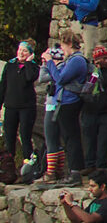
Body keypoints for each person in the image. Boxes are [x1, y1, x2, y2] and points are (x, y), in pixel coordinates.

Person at [41, 31, 88, 186]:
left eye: (62, 45)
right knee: (68, 138)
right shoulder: (72, 60)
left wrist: (49, 63)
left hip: (70, 103)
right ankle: (73, 172)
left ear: (68, 43)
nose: (61, 48)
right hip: (65, 102)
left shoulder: (77, 60)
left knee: (71, 138)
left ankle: (75, 173)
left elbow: (60, 79)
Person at [80, 46, 107, 174]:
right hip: (89, 111)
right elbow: (85, 88)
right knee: (89, 139)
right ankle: (90, 164)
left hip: (105, 111)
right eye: (103, 59)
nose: (106, 61)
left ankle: (102, 164)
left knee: (104, 139)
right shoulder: (90, 73)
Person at [0, 39, 39, 167]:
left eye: (25, 51)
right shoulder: (10, 65)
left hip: (26, 107)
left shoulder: (33, 67)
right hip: (11, 106)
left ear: (30, 53)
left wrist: (28, 62)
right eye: (20, 49)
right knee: (9, 137)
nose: (21, 53)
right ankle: (9, 167)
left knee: (25, 136)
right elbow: (3, 85)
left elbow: (30, 77)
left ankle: (28, 165)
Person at [37, 47, 65, 184]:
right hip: (55, 105)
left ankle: (51, 172)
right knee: (55, 140)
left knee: (51, 138)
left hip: (54, 105)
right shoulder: (61, 67)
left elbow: (41, 78)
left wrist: (45, 64)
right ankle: (58, 170)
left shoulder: (58, 68)